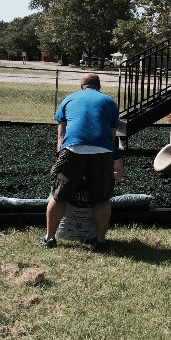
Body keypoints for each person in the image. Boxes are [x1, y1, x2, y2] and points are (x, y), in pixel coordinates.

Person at [41, 73, 121, 251]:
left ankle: (49, 238)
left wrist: (62, 158)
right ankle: (100, 242)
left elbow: (61, 137)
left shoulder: (69, 99)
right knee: (102, 198)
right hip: (102, 150)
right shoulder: (109, 102)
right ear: (99, 87)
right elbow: (112, 135)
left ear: (81, 86)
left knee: (59, 194)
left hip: (73, 148)